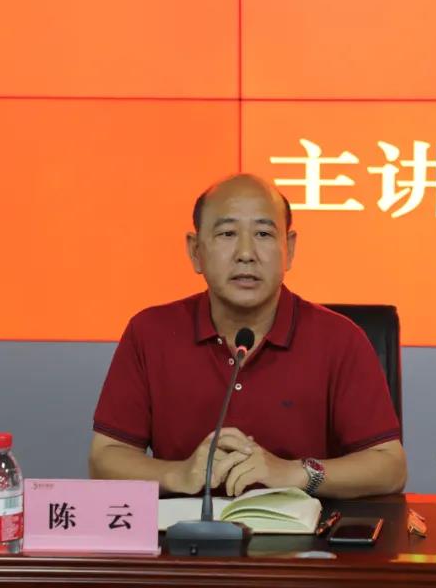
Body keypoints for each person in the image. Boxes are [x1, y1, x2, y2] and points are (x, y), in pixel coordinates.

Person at [89, 173, 407, 499]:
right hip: (184, 530)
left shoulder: (340, 339)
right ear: (195, 251)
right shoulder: (150, 332)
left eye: (263, 234)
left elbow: (389, 465)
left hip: (304, 530)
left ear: (289, 249)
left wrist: (294, 472)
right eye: (227, 233)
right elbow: (105, 457)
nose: (245, 253)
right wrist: (178, 474)